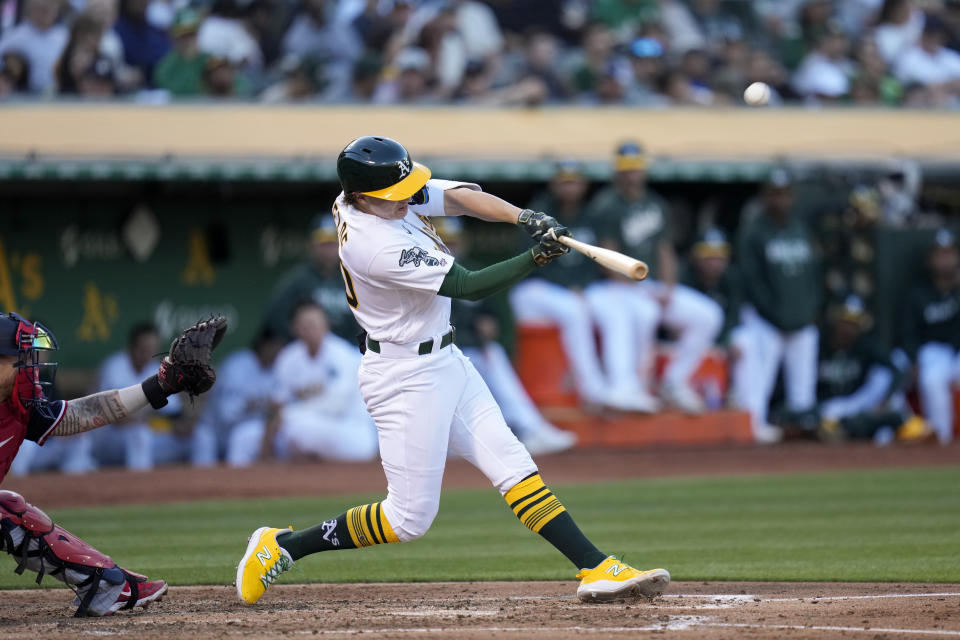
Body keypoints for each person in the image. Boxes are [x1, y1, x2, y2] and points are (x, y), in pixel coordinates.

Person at [237, 135, 669, 607]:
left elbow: (460, 197)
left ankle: (596, 565)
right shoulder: (371, 242)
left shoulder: (378, 195)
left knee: (514, 465)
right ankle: (283, 546)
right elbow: (468, 285)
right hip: (403, 377)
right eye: (393, 197)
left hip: (445, 359)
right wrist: (535, 257)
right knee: (407, 520)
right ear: (361, 198)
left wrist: (524, 217)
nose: (406, 201)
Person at [0, 312, 224, 616]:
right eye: (21, 358)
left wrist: (158, 386)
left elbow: (79, 414)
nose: (32, 367)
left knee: (10, 508)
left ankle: (106, 584)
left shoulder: (16, 408)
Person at [585, 142, 723, 414]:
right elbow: (606, 258)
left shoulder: (655, 203)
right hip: (618, 285)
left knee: (708, 315)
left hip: (650, 284)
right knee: (644, 313)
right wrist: (642, 289)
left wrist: (668, 288)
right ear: (617, 171)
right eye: (626, 169)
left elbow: (665, 250)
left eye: (635, 169)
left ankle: (674, 381)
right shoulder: (607, 205)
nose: (631, 175)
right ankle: (633, 388)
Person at [438, 216, 577, 455]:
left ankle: (530, 428)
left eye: (455, 241)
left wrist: (486, 325)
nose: (452, 247)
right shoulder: (430, 270)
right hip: (438, 353)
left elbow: (488, 314)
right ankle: (527, 429)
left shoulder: (471, 268)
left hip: (470, 351)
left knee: (492, 355)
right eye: (447, 242)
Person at [510, 159, 638, 411]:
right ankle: (593, 390)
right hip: (532, 289)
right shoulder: (538, 214)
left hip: (573, 289)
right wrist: (570, 288)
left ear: (584, 185)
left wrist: (579, 287)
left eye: (574, 181)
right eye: (564, 181)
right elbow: (529, 263)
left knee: (615, 306)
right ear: (554, 184)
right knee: (575, 311)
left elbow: (594, 262)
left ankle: (624, 387)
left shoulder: (590, 215)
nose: (570, 187)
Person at [736, 168, 821, 437]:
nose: (780, 201)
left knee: (803, 387)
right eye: (774, 194)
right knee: (759, 381)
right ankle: (754, 427)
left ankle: (802, 427)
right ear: (764, 197)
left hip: (801, 319)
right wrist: (774, 314)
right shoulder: (753, 231)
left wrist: (808, 311)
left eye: (784, 194)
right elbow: (751, 280)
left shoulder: (800, 228)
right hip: (766, 320)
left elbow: (815, 275)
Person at [269, 300, 378, 462]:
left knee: (293, 420)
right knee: (289, 427)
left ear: (326, 325)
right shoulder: (288, 357)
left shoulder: (342, 354)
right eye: (303, 325)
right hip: (312, 424)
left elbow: (337, 404)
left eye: (313, 324)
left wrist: (293, 412)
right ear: (294, 328)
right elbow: (278, 402)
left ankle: (319, 464)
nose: (309, 330)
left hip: (350, 427)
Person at [91, 323, 184, 470]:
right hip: (108, 438)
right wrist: (146, 416)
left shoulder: (159, 370)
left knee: (199, 437)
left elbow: (174, 415)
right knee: (139, 434)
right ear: (132, 347)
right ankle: (139, 488)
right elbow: (109, 415)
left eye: (153, 348)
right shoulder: (115, 367)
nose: (149, 352)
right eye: (144, 348)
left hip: (150, 437)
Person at [816, 295, 909, 442]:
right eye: (845, 322)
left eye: (854, 323)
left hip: (859, 401)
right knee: (825, 417)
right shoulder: (819, 344)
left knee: (885, 378)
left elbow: (898, 370)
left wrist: (885, 399)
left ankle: (889, 433)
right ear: (835, 320)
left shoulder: (865, 344)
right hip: (831, 406)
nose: (848, 328)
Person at [191, 327, 285, 467]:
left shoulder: (278, 369)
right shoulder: (237, 364)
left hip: (243, 432)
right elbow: (226, 414)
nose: (278, 350)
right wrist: (255, 406)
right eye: (275, 345)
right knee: (203, 454)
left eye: (280, 346)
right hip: (214, 431)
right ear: (263, 345)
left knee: (243, 437)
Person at [901, 229, 960, 445]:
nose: (945, 260)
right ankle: (942, 441)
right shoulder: (919, 293)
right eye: (940, 255)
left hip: (957, 351)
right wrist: (914, 360)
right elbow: (908, 333)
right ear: (930, 259)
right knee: (932, 379)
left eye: (949, 254)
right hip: (934, 352)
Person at [263, 215, 358, 342]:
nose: (328, 248)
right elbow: (274, 315)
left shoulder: (352, 277)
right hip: (310, 353)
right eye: (323, 243)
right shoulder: (300, 278)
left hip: (347, 353)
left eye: (332, 242)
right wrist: (298, 339)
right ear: (311, 245)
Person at [0, 0, 68, 94]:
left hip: (61, 97)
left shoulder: (65, 36)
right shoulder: (14, 38)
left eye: (50, 7)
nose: (46, 11)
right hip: (24, 98)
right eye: (41, 7)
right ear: (30, 9)